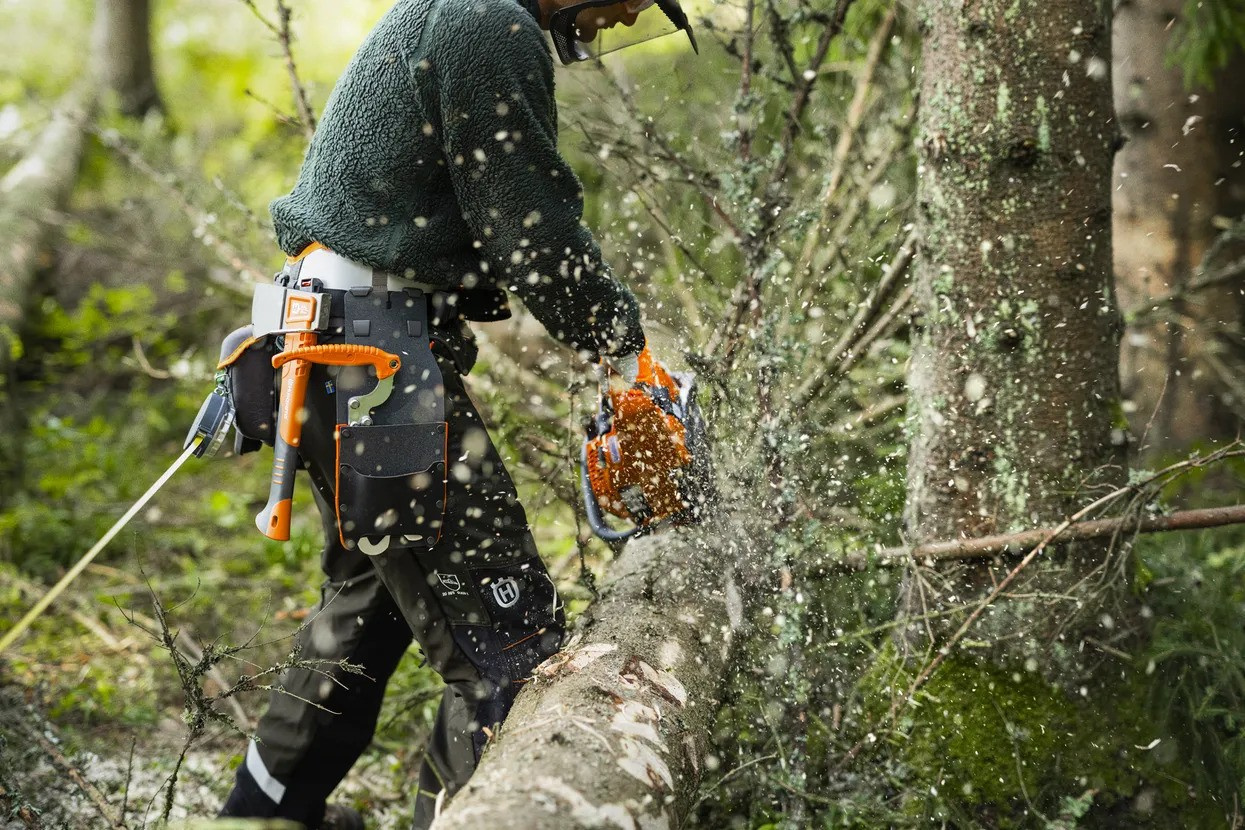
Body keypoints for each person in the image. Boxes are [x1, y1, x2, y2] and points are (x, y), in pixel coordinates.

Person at [217, 0, 697, 826]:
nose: (626, 16)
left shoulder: (466, 13)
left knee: (363, 620)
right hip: (370, 357)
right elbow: (530, 228)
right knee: (510, 650)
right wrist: (624, 351)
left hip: (344, 337)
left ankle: (256, 816)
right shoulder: (488, 22)